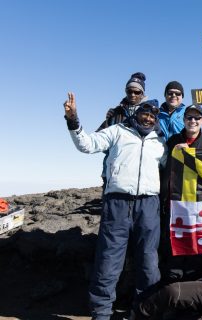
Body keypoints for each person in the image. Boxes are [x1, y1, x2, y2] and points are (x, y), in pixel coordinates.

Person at [63, 92, 167, 320]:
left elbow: (176, 168)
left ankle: (143, 312)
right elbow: (87, 144)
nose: (148, 118)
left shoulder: (160, 143)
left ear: (156, 119)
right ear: (137, 114)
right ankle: (101, 314)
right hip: (117, 204)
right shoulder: (118, 131)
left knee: (149, 263)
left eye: (152, 116)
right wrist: (73, 120)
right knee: (109, 261)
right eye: (144, 114)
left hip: (149, 205)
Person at [161, 105, 202, 283]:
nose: (192, 121)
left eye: (196, 118)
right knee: (174, 246)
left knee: (196, 247)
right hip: (175, 204)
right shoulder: (172, 141)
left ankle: (192, 287)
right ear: (184, 120)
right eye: (189, 117)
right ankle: (172, 287)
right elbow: (163, 167)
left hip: (199, 206)